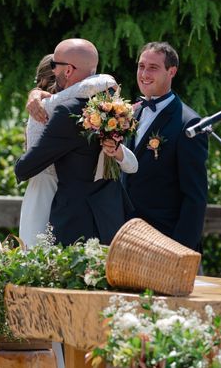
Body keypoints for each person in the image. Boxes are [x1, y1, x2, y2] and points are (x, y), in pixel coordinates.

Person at [15, 38, 136, 246]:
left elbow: (25, 168)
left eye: (55, 65)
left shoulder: (66, 111)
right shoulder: (111, 106)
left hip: (74, 220)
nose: (53, 71)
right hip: (111, 215)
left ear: (69, 70)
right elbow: (132, 165)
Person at [122, 41, 208, 251]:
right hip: (124, 235)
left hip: (164, 239)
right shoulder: (130, 113)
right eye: (141, 66)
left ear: (172, 72)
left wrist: (180, 249)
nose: (144, 74)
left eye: (153, 68)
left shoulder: (188, 123)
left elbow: (195, 197)